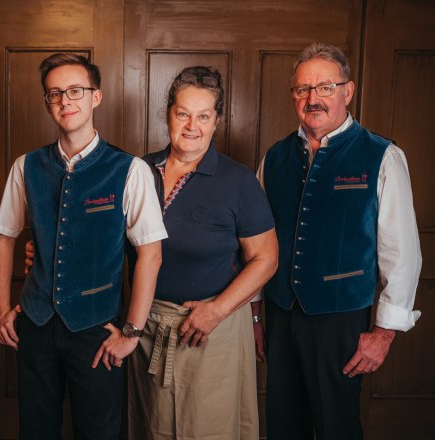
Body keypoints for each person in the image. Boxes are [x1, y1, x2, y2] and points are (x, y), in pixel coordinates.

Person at [0, 53, 166, 439]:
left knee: (99, 432)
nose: (65, 101)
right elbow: (5, 235)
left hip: (95, 329)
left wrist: (132, 332)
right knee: (36, 431)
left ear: (95, 97)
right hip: (35, 324)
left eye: (75, 91)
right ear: (47, 103)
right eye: (56, 94)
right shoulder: (27, 166)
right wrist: (1, 306)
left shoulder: (129, 170)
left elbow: (150, 254)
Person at [259, 42, 422, 440]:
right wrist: (254, 315)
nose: (313, 98)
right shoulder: (275, 157)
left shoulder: (381, 155)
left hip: (342, 319)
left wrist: (384, 333)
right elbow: (255, 244)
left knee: (337, 427)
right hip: (280, 314)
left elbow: (402, 253)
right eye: (302, 89)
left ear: (347, 92)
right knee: (282, 424)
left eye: (325, 87)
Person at [127, 66, 278, 439]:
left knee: (211, 429)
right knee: (152, 428)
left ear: (217, 122)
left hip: (213, 331)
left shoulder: (237, 180)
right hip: (145, 327)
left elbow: (266, 259)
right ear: (168, 115)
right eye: (183, 114)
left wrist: (216, 311)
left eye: (203, 116)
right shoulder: (138, 170)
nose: (192, 125)